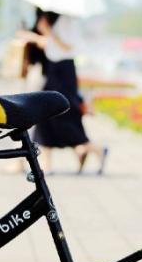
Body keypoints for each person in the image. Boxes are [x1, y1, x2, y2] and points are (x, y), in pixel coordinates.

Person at [18, 9, 107, 174]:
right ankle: (48, 162)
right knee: (46, 114)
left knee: (62, 113)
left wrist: (47, 32)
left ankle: (94, 149)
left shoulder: (66, 19)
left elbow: (68, 47)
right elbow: (50, 47)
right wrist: (37, 36)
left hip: (64, 72)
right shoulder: (52, 19)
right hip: (53, 70)